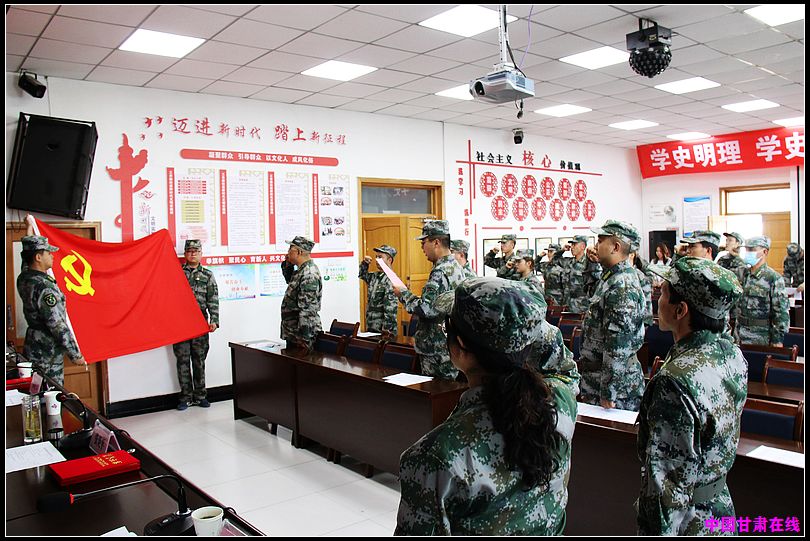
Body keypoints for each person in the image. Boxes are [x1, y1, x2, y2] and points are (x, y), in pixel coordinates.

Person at [396, 278, 577, 535]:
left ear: (460, 347)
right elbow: (564, 367)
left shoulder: (435, 456)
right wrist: (521, 328)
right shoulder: (560, 402)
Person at [639, 257, 747, 535]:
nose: (658, 300)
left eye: (663, 293)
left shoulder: (675, 381)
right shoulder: (731, 354)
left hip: (688, 521)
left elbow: (667, 485)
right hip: (719, 509)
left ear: (680, 310)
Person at [578, 220, 646, 411]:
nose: (596, 245)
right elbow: (590, 291)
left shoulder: (622, 285)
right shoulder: (611, 276)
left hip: (618, 390)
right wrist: (591, 264)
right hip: (598, 379)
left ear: (615, 247)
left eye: (601, 241)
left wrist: (609, 392)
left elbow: (618, 344)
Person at [394, 220, 465, 379]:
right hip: (450, 343)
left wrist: (403, 294)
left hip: (436, 348)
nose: (422, 248)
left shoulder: (440, 271)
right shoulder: (456, 266)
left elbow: (427, 309)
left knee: (437, 390)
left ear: (436, 242)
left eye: (423, 242)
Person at [17, 235, 86, 386]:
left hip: (33, 344)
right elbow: (56, 324)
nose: (52, 256)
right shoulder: (45, 287)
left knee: (34, 387)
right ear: (38, 257)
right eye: (48, 253)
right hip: (47, 352)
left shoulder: (25, 278)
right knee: (51, 391)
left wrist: (29, 234)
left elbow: (26, 262)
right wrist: (75, 354)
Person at [172, 240, 219, 410]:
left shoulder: (207, 275)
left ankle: (200, 396)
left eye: (196, 251)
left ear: (201, 254)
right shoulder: (176, 273)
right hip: (180, 324)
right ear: (185, 254)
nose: (193, 254)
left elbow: (213, 298)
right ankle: (185, 397)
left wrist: (214, 320)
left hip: (200, 324)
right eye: (189, 251)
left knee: (199, 360)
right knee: (183, 361)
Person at [735, 236, 789, 346]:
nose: (748, 253)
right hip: (738, 333)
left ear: (765, 252)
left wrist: (777, 340)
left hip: (760, 336)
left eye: (752, 250)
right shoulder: (742, 274)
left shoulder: (773, 277)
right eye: (747, 249)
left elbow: (781, 312)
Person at [280, 236, 323, 351]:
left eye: (290, 249)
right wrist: (287, 265)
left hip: (302, 336)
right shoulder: (301, 270)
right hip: (293, 332)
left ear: (299, 252)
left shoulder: (309, 274)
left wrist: (304, 339)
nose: (288, 253)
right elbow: (289, 280)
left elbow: (307, 309)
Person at [359, 245, 399, 336]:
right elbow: (362, 274)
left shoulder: (392, 279)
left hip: (384, 329)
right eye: (376, 257)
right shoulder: (375, 276)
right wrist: (365, 263)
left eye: (380, 257)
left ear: (389, 260)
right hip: (371, 324)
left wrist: (386, 330)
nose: (377, 260)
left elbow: (390, 309)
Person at [561, 235, 602, 314]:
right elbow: (554, 261)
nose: (572, 247)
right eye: (571, 245)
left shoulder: (589, 263)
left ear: (583, 246)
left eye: (574, 244)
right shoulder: (569, 262)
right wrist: (562, 250)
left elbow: (598, 281)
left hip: (581, 308)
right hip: (567, 305)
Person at [629, 250, 654, 327]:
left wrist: (645, 322)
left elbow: (646, 302)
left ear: (632, 255)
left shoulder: (638, 274)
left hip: (636, 323)